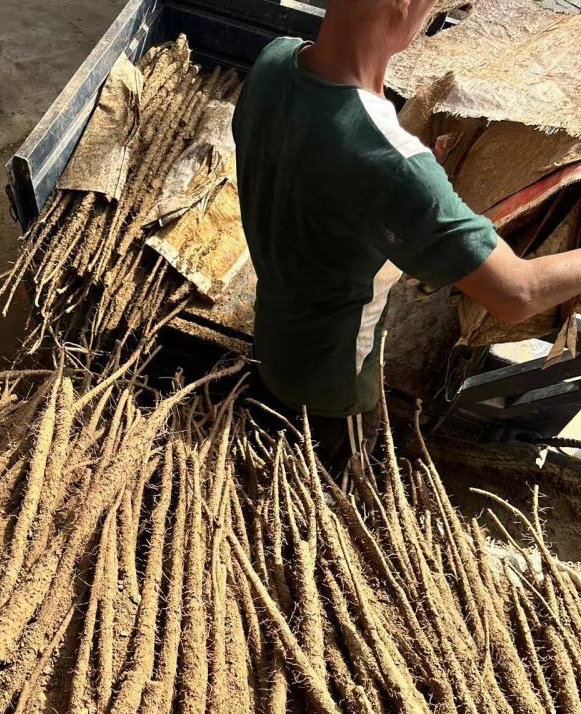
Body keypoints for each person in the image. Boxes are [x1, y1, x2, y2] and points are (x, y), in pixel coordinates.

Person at [233, 0, 581, 459]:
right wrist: (416, 189)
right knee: (323, 476)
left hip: (276, 334)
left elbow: (320, 169)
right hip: (333, 387)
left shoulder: (276, 60)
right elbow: (517, 293)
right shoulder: (393, 167)